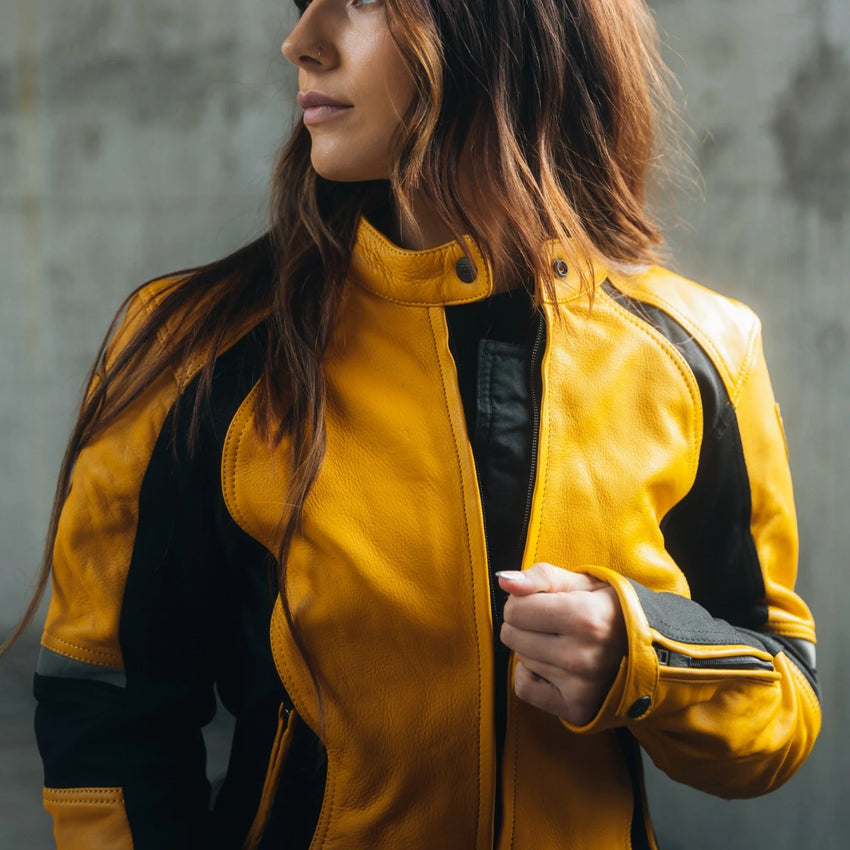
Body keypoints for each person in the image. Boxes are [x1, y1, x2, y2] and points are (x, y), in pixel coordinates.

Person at [6, 0, 819, 847]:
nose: (300, 42)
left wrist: (646, 656)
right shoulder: (194, 348)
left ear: (507, 25)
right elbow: (107, 715)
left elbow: (781, 714)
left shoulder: (703, 350)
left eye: (359, 3)